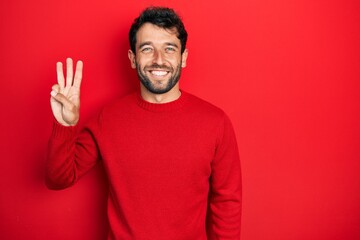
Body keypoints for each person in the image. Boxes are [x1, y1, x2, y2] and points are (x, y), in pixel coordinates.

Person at [47, 6, 241, 240]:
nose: (159, 60)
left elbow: (227, 203)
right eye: (147, 48)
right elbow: (58, 179)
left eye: (169, 48)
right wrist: (65, 126)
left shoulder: (216, 123)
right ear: (132, 58)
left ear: (184, 57)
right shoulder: (107, 118)